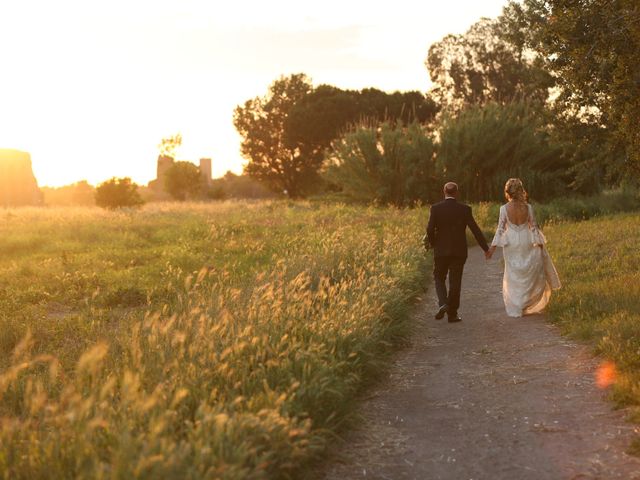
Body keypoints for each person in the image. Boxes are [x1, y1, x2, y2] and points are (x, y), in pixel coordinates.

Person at [486, 178, 561, 317]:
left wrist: (492, 248)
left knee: (514, 273)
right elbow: (534, 227)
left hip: (512, 243)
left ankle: (517, 304)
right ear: (521, 190)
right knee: (529, 270)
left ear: (507, 192)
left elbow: (500, 229)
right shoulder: (528, 207)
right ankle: (526, 302)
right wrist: (538, 243)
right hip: (527, 240)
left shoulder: (503, 209)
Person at [424, 182, 490, 322]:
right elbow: (475, 229)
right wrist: (486, 248)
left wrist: (433, 242)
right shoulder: (465, 209)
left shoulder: (435, 208)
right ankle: (452, 314)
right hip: (459, 251)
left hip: (441, 251)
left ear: (444, 192)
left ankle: (443, 303)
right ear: (457, 193)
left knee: (439, 277)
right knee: (455, 281)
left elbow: (429, 229)